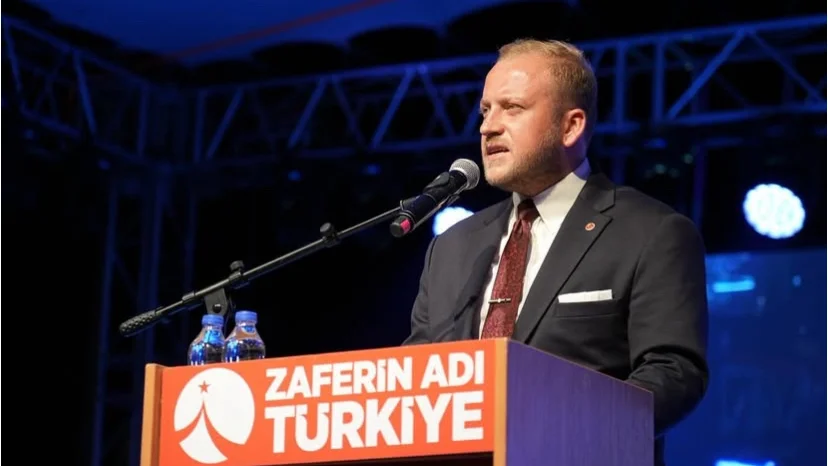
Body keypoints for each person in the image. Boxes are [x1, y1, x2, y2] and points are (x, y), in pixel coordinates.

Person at [402, 39, 709, 466]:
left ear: (571, 126)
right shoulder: (451, 247)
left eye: (512, 108)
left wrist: (560, 426)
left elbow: (673, 373)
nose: (488, 127)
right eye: (485, 110)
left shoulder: (651, 232)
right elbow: (416, 379)